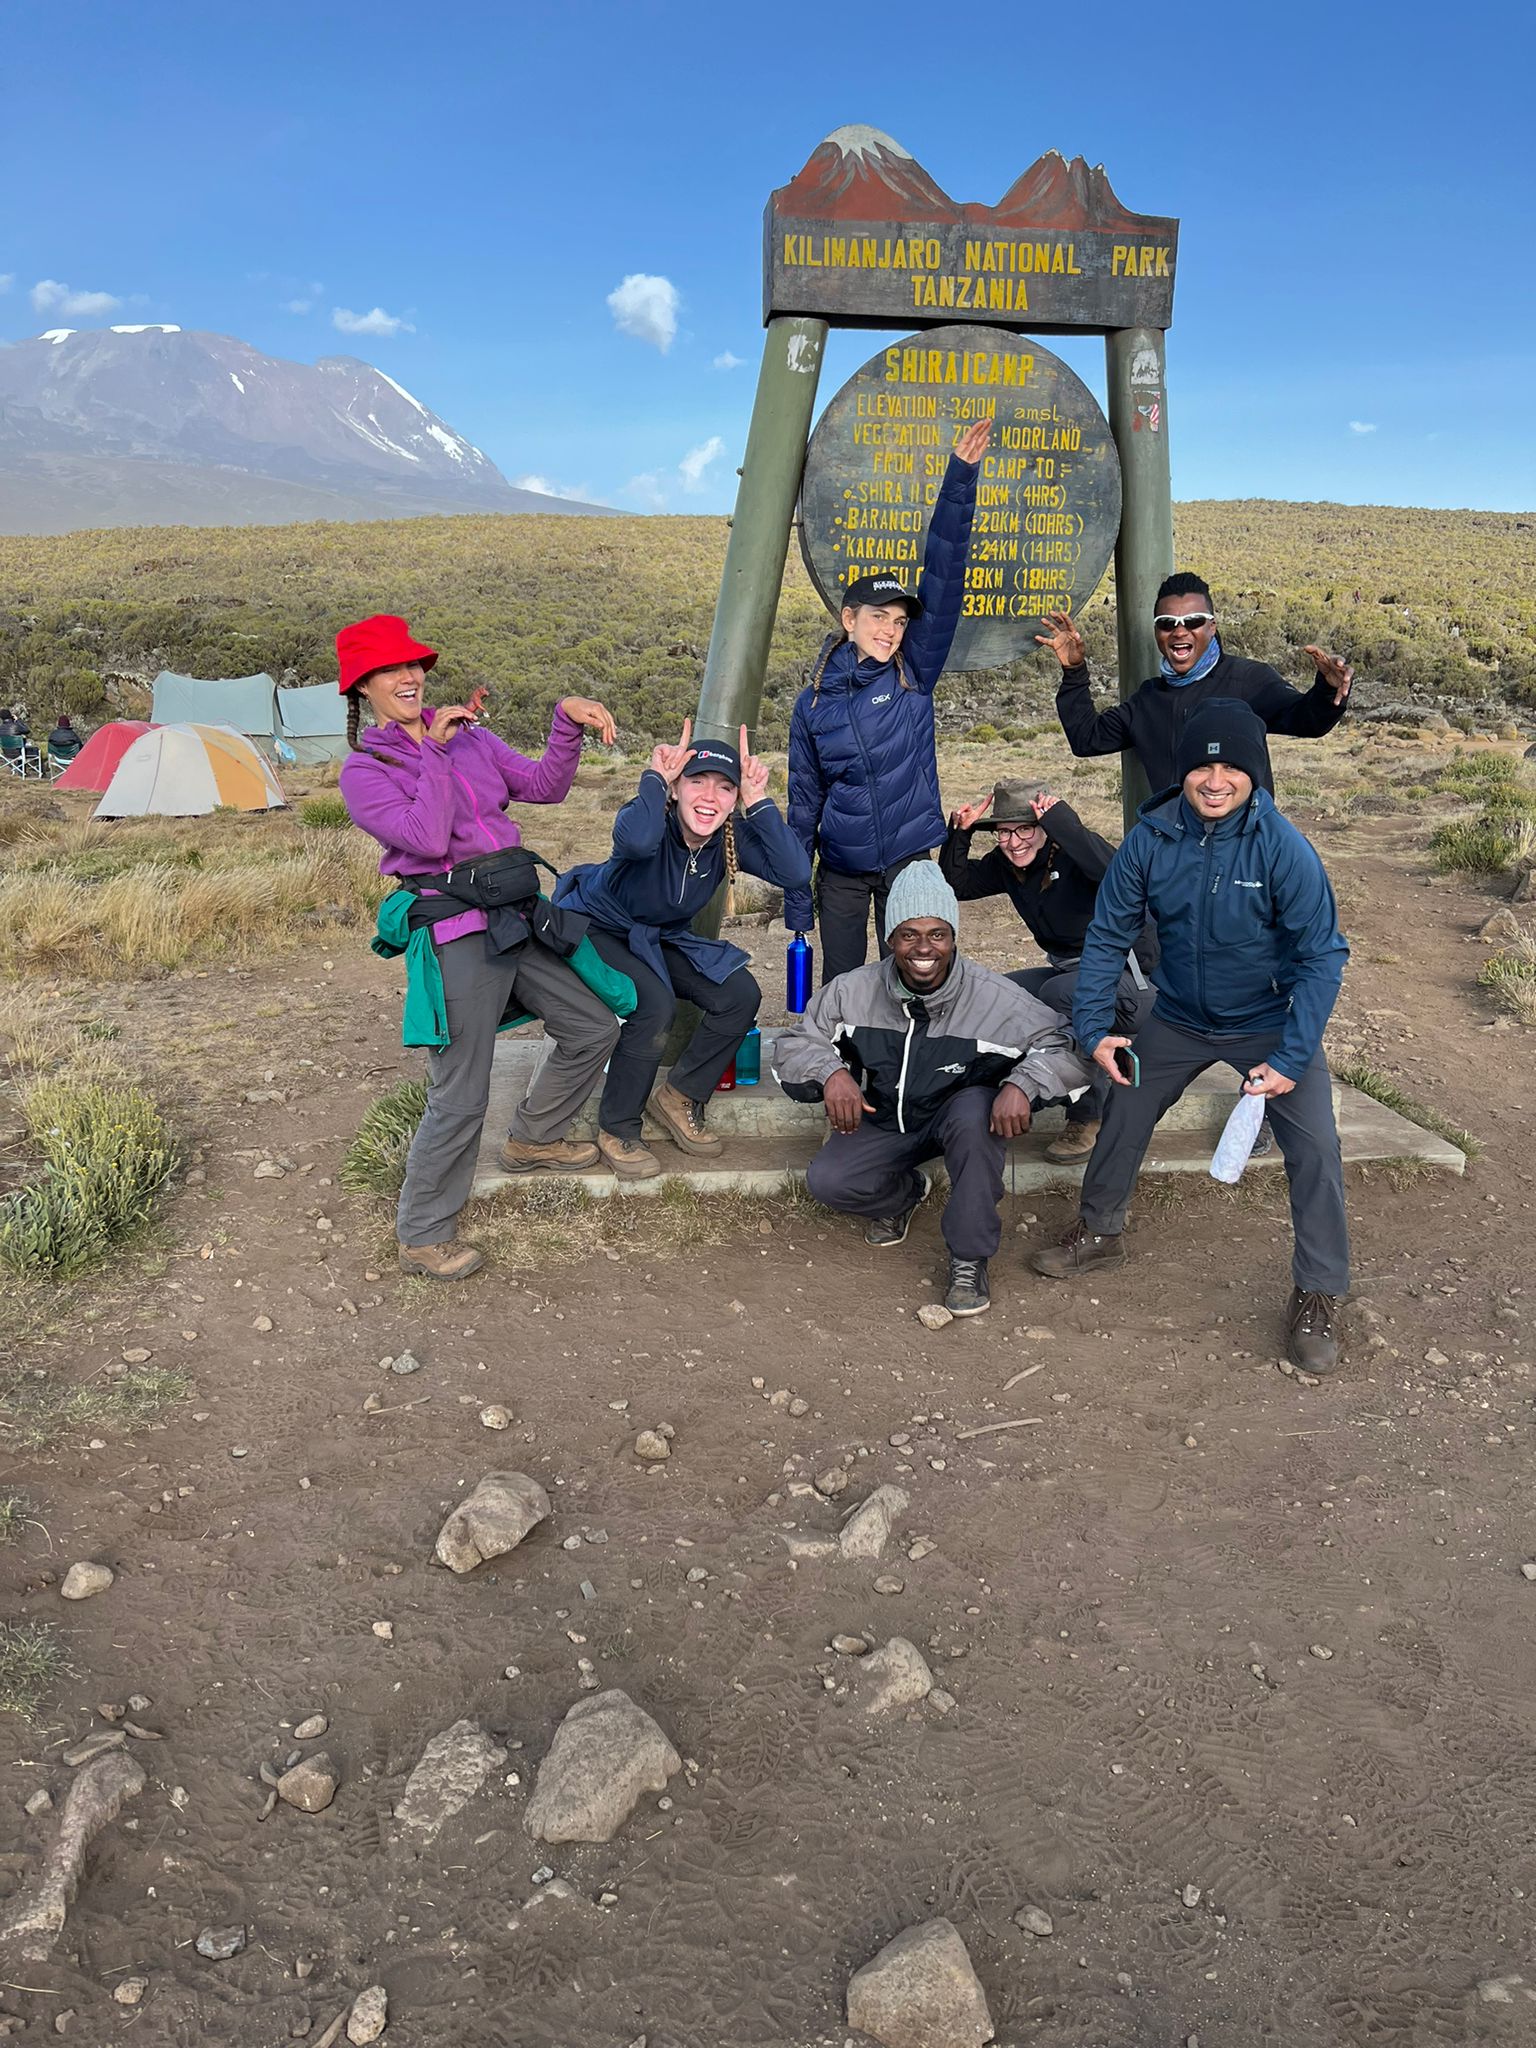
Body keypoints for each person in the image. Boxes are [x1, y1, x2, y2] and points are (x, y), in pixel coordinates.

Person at [1028, 699, 1352, 1376]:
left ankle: (1319, 1290)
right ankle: (1100, 1229)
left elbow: (1323, 954)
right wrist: (1094, 1029)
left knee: (1316, 1145)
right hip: (1176, 1015)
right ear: (1185, 771)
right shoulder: (1152, 838)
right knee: (1125, 1099)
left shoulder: (1282, 847)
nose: (1216, 778)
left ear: (1254, 776)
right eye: (1205, 763)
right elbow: (1109, 931)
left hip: (1268, 1020)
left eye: (1234, 765)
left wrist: (1291, 1056)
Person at [338, 612, 624, 1280]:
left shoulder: (469, 736)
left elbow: (544, 786)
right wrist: (434, 754)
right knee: (461, 1091)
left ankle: (532, 1138)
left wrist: (564, 723)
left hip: (517, 917)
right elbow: (428, 839)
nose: (409, 677)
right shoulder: (365, 770)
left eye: (414, 665)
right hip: (456, 932)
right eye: (391, 670)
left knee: (592, 1025)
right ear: (363, 687)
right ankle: (422, 1232)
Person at [775, 862, 1093, 1317]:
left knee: (973, 1116)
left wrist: (1023, 1083)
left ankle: (968, 1258)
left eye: (938, 934)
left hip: (961, 1119)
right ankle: (906, 1193)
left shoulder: (994, 997)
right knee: (829, 1181)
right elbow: (794, 1043)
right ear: (890, 939)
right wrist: (831, 1073)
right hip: (888, 1116)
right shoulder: (851, 992)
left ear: (954, 937)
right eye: (909, 934)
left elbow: (1068, 1047)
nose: (924, 947)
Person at [785, 417, 995, 983]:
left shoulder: (912, 672)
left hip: (908, 863)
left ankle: (904, 1070)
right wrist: (796, 894)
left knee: (910, 978)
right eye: (879, 618)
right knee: (843, 984)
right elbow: (803, 806)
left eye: (899, 621)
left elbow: (944, 575)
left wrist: (960, 481)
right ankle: (835, 1069)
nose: (891, 630)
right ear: (848, 619)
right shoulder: (811, 707)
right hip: (842, 871)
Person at [555, 719, 811, 1179]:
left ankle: (679, 1095)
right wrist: (656, 779)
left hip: (660, 935)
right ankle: (617, 1128)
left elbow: (794, 873)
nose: (710, 797)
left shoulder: (727, 839)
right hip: (596, 928)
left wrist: (759, 800)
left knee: (739, 994)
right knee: (652, 1005)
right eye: (697, 782)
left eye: (725, 788)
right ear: (677, 789)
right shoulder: (650, 822)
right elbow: (634, 842)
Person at [939, 779, 1158, 1162]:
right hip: (1072, 975)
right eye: (1004, 832)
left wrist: (1065, 824)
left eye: (1025, 829)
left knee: (1058, 996)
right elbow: (958, 884)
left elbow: (1117, 873)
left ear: (1045, 828)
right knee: (999, 994)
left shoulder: (1076, 855)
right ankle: (1010, 1092)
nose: (1014, 841)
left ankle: (1088, 1115)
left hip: (1137, 983)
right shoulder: (1008, 865)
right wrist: (960, 833)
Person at [1041, 573, 1355, 796]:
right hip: (1177, 858)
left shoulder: (1248, 680)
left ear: (1211, 626)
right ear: (1157, 633)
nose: (1180, 632)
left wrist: (1327, 689)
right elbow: (1086, 739)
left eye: (1192, 622)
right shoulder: (1147, 700)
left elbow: (1306, 720)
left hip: (1243, 854)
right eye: (1167, 624)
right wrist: (1074, 671)